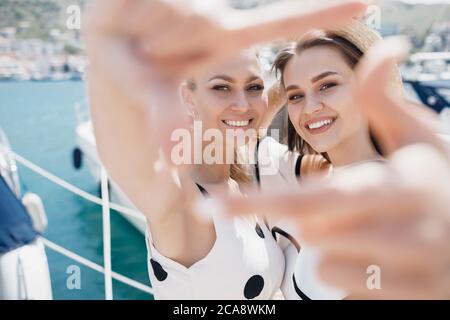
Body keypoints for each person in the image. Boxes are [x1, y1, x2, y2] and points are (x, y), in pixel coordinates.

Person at [84, 0, 369, 299]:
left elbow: (248, 122)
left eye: (254, 87)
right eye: (221, 87)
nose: (243, 104)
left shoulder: (243, 180)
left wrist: (304, 66)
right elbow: (130, 161)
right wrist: (105, 39)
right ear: (189, 98)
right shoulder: (184, 202)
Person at [218, 31, 450, 299]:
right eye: (295, 96)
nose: (311, 107)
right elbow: (247, 135)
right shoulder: (297, 176)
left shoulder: (401, 192)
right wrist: (290, 74)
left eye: (327, 85)